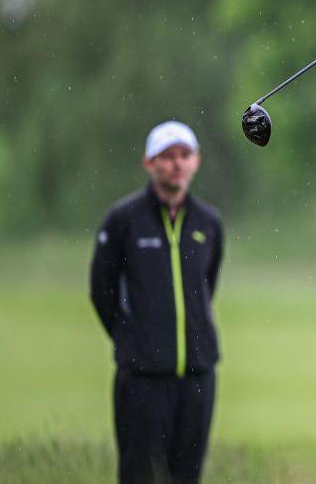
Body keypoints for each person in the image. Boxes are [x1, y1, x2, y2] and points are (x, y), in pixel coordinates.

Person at [90, 121, 224, 484]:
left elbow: (206, 284)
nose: (177, 164)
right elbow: (101, 290)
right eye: (167, 157)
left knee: (186, 476)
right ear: (149, 164)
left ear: (195, 162)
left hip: (197, 375)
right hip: (143, 379)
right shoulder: (124, 220)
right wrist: (131, 338)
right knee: (140, 476)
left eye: (184, 155)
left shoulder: (208, 222)